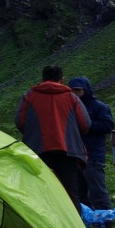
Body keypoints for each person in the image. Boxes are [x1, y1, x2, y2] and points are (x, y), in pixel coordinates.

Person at [15, 65, 91, 212]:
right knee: (70, 192)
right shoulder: (71, 97)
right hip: (67, 151)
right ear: (62, 80)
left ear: (42, 79)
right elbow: (85, 124)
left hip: (38, 150)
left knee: (39, 190)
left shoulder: (29, 95)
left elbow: (20, 121)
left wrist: (33, 133)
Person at [67, 77, 115, 210]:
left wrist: (86, 125)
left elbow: (108, 125)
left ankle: (106, 220)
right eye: (72, 90)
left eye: (78, 90)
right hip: (76, 155)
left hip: (93, 155)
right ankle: (87, 221)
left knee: (97, 191)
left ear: (86, 90)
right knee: (79, 192)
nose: (75, 93)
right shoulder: (71, 106)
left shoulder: (99, 106)